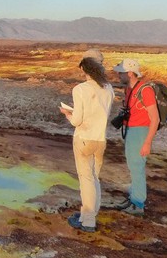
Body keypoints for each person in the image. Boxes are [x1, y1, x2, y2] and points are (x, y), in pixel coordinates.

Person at [60, 53, 114, 232]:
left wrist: (67, 114)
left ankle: (88, 221)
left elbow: (77, 120)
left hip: (84, 139)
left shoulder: (80, 89)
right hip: (100, 139)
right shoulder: (108, 88)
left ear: (85, 70)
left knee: (86, 179)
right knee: (94, 178)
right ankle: (88, 214)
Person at [112, 58, 160, 216]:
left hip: (140, 131)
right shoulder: (129, 89)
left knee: (137, 167)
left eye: (121, 72)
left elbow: (155, 118)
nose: (118, 75)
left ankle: (138, 203)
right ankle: (133, 198)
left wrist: (147, 143)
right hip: (132, 130)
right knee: (133, 165)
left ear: (130, 73)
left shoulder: (145, 90)